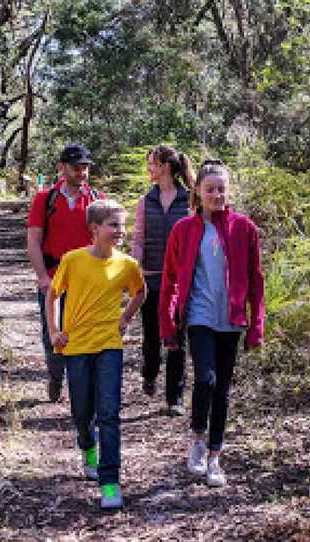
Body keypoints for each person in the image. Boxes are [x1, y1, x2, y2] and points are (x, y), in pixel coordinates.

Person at [158, 159, 265, 487]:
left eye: (221, 189)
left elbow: (256, 280)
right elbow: (170, 279)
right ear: (198, 192)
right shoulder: (184, 230)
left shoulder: (244, 228)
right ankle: (196, 441)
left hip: (230, 319)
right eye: (210, 189)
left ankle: (215, 458)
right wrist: (167, 324)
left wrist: (256, 324)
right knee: (205, 379)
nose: (216, 195)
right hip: (200, 317)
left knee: (222, 390)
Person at [46, 199, 146, 509]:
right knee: (82, 412)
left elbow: (140, 291)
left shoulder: (127, 264)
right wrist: (53, 331)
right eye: (113, 225)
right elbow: (52, 294)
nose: (120, 231)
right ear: (94, 229)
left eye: (122, 225)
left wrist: (126, 317)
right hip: (75, 346)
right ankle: (87, 445)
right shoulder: (73, 260)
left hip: (109, 346)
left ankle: (110, 481)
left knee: (109, 412)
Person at [27, 144, 104, 402]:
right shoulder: (44, 199)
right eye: (76, 167)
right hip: (54, 277)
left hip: (87, 281)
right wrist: (42, 277)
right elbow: (34, 239)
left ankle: (81, 389)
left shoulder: (96, 200)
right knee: (53, 333)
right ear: (62, 168)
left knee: (83, 334)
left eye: (85, 167)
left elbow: (105, 241)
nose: (81, 172)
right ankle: (56, 376)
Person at [131, 145, 194, 415]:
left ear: (166, 167)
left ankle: (175, 398)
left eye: (153, 164)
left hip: (181, 281)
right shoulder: (146, 201)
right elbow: (138, 240)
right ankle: (149, 371)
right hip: (152, 278)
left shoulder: (190, 200)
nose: (149, 170)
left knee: (177, 337)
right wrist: (134, 271)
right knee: (152, 335)